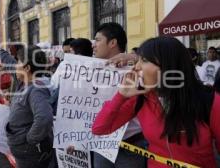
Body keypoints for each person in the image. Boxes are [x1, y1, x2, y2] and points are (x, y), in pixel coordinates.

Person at [92, 37, 220, 168]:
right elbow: (100, 128)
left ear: (168, 65)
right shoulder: (141, 97)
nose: (136, 67)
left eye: (144, 60)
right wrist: (120, 96)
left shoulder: (209, 101)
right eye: (138, 60)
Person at [92, 22, 145, 168]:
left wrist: (135, 57)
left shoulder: (139, 70)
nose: (93, 45)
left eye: (97, 40)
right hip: (101, 144)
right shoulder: (87, 71)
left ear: (113, 42)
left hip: (131, 145)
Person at [5, 45, 54, 168]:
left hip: (29, 152)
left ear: (27, 68)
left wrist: (30, 139)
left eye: (18, 62)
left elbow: (44, 118)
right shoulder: (24, 84)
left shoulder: (36, 89)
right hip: (22, 149)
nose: (15, 65)